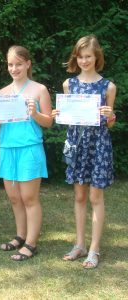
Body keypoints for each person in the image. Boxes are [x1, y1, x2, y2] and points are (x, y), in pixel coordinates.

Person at [52, 35, 116, 269]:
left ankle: (94, 249)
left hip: (98, 145)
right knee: (79, 196)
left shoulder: (108, 86)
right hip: (77, 144)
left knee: (95, 197)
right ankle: (79, 245)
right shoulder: (69, 84)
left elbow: (109, 123)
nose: (85, 60)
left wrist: (110, 116)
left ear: (96, 56)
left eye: (89, 56)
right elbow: (66, 115)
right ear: (76, 57)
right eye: (81, 56)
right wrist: (57, 115)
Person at [0, 45, 52, 261]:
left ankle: (31, 243)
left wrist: (34, 113)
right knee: (14, 198)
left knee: (29, 198)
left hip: (29, 149)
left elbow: (49, 122)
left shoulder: (39, 89)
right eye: (11, 64)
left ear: (28, 64)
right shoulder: (2, 93)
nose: (14, 68)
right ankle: (20, 236)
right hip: (8, 149)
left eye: (19, 64)